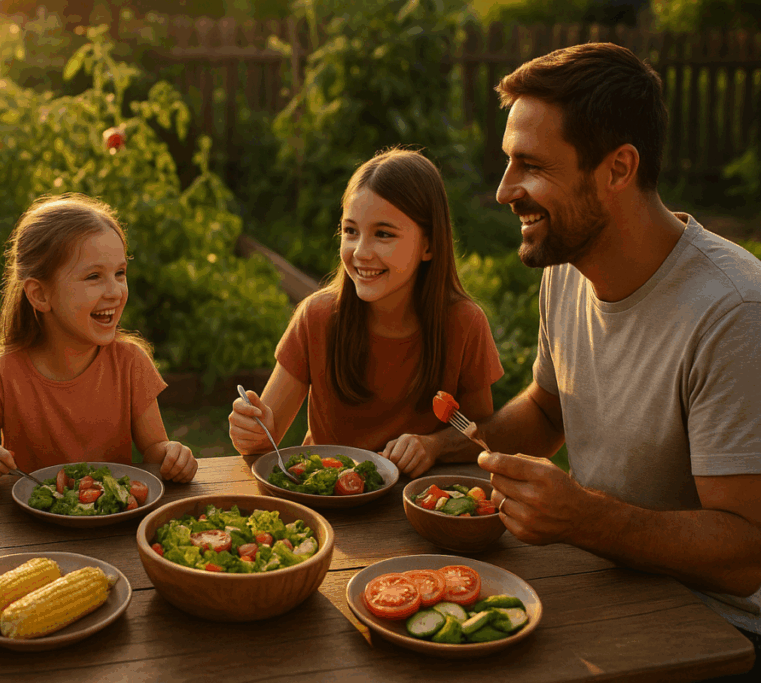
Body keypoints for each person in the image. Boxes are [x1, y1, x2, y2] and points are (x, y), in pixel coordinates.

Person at [417, 42, 761, 663]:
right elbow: (549, 412)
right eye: (506, 163)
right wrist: (446, 448)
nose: (503, 191)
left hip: (719, 632)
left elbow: (744, 555)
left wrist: (584, 519)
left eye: (531, 166)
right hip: (607, 576)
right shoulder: (570, 267)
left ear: (618, 169)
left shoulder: (734, 312)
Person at [228, 148, 504, 473]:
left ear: (428, 245)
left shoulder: (464, 323)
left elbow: (483, 435)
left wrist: (434, 445)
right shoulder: (315, 318)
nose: (360, 252)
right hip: (326, 501)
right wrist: (251, 431)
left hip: (413, 507)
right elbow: (264, 439)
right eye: (350, 231)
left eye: (383, 234)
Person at [0, 194, 198, 484]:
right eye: (93, 277)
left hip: (113, 523)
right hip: (30, 525)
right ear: (40, 294)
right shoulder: (4, 373)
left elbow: (154, 450)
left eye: (120, 273)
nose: (115, 291)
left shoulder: (130, 363)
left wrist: (172, 456)